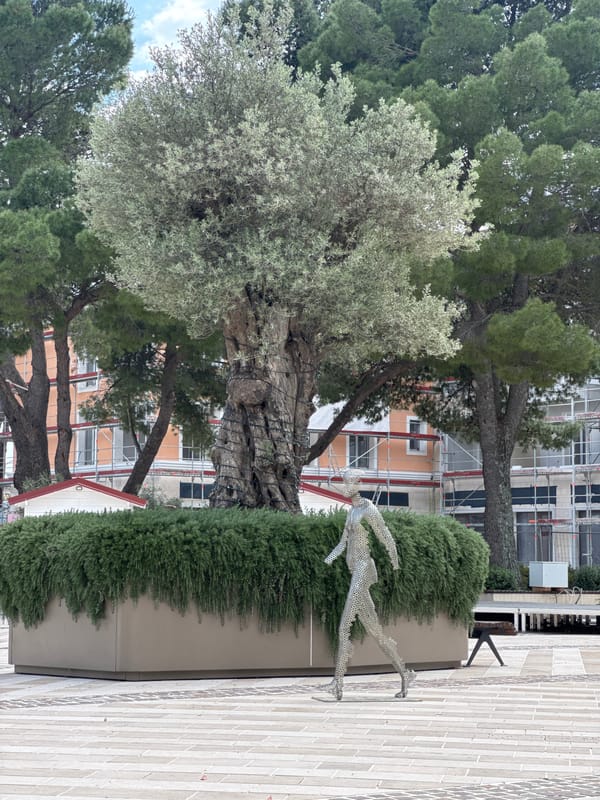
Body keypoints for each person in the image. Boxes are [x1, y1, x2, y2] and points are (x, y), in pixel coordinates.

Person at [324, 469, 416, 700]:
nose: (346, 486)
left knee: (344, 626)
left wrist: (394, 561)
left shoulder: (368, 509)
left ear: (359, 483)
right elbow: (343, 543)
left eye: (350, 482)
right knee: (376, 633)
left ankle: (338, 682)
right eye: (345, 482)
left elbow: (384, 533)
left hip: (364, 569)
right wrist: (327, 560)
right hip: (354, 569)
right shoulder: (352, 511)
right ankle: (405, 674)